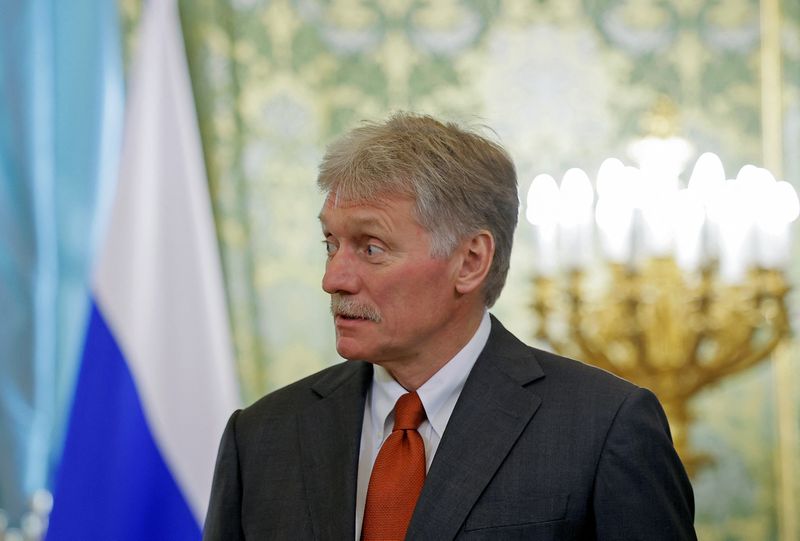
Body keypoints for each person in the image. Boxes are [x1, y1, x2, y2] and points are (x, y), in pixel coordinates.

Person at [203, 112, 696, 540]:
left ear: (470, 261)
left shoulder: (603, 426)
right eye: (331, 243)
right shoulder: (262, 436)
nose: (333, 279)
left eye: (370, 247)